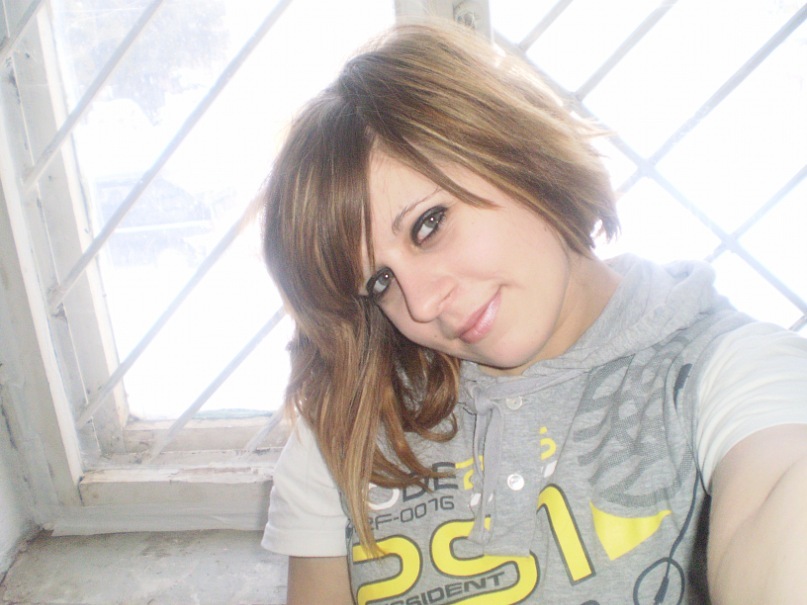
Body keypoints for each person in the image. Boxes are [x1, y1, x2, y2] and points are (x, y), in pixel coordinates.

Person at [259, 21, 807, 604]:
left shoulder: (731, 371)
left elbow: (777, 492)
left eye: (429, 224)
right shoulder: (349, 419)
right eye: (380, 281)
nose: (421, 302)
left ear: (514, 149)